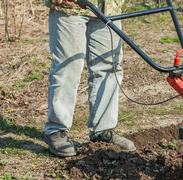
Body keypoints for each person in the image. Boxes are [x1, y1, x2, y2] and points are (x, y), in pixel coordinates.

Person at [43, 0, 136, 157]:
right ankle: (56, 130)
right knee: (68, 67)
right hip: (70, 6)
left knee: (108, 66)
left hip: (108, 8)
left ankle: (102, 130)